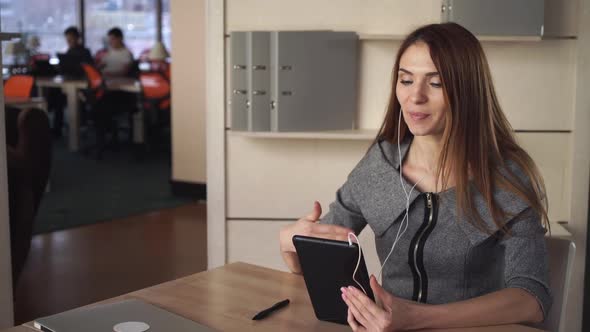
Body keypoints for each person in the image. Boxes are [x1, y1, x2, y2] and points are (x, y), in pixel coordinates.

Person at [279, 23, 551, 331]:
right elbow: (326, 253)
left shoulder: (505, 178)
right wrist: (294, 245)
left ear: (469, 91)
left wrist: (417, 318)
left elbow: (532, 299)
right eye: (406, 80)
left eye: (435, 83)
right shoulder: (380, 165)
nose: (415, 96)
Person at [47, 26, 93, 137]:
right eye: (67, 40)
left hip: (82, 87)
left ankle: (80, 126)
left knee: (69, 97)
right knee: (56, 94)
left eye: (71, 39)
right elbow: (66, 69)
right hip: (68, 83)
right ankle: (57, 128)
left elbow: (89, 70)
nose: (69, 42)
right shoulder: (68, 52)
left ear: (77, 38)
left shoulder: (85, 52)